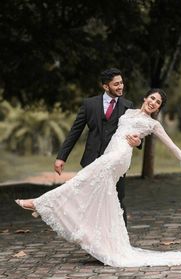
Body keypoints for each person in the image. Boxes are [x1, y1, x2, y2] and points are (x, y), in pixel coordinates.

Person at [15, 88, 181, 267]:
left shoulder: (153, 124)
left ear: (158, 108)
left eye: (158, 102)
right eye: (152, 98)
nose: (154, 102)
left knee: (81, 180)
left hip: (120, 156)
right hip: (109, 153)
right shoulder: (127, 111)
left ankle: (40, 203)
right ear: (145, 98)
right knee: (99, 196)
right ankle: (104, 244)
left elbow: (171, 146)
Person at [54, 68, 141, 226]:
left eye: (121, 82)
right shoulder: (89, 105)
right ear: (106, 86)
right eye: (116, 84)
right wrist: (61, 157)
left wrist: (138, 142)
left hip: (116, 161)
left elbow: (136, 132)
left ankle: (121, 243)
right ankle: (94, 244)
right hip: (92, 160)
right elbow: (75, 131)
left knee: (118, 200)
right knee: (91, 202)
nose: (121, 86)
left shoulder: (128, 106)